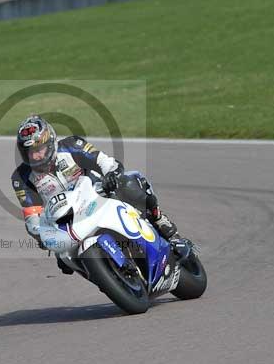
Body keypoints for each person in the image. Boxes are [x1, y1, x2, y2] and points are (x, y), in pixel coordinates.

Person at [11, 115, 185, 275]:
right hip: (68, 221)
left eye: (39, 149)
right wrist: (41, 233)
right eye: (30, 152)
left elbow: (105, 162)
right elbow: (32, 217)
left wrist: (111, 175)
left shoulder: (72, 146)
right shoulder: (21, 178)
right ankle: (108, 276)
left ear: (50, 142)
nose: (35, 155)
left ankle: (163, 224)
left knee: (128, 182)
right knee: (64, 261)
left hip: (98, 196)